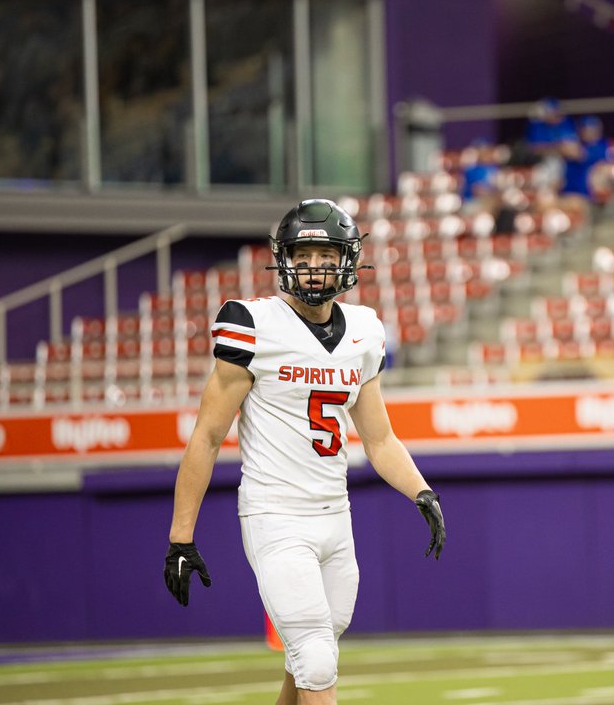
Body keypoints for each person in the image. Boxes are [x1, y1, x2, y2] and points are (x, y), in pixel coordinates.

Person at [164, 199, 447, 705]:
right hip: (276, 515)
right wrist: (180, 537)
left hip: (336, 515)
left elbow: (380, 439)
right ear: (283, 259)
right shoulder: (252, 324)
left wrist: (421, 491)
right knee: (316, 659)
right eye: (303, 254)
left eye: (325, 254)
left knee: (312, 658)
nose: (314, 266)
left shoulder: (363, 331)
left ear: (348, 260)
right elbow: (206, 437)